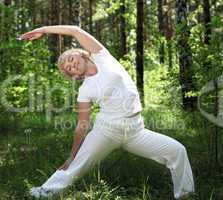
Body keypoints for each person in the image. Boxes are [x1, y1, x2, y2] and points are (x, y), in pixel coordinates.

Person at [19, 25, 195, 199]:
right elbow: (82, 125)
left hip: (136, 130)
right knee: (75, 168)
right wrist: (72, 157)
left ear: (80, 53)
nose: (71, 65)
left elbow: (75, 30)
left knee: (177, 151)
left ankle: (186, 195)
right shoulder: (85, 90)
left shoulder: (103, 57)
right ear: (72, 75)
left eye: (71, 60)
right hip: (107, 131)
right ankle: (40, 194)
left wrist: (43, 29)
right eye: (68, 68)